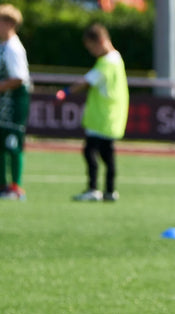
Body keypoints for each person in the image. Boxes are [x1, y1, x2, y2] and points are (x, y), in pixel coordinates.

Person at [56, 24, 129, 202]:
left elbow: (87, 81)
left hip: (103, 117)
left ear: (102, 41)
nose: (92, 52)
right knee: (107, 154)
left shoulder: (108, 62)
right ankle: (110, 191)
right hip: (110, 115)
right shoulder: (116, 59)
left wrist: (66, 92)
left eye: (92, 47)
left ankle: (93, 189)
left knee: (90, 151)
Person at [0, 4, 29, 201]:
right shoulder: (3, 45)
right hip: (4, 101)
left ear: (9, 23)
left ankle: (16, 187)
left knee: (13, 144)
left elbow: (19, 78)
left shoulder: (14, 48)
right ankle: (3, 185)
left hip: (14, 102)